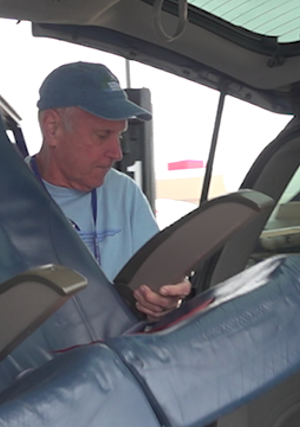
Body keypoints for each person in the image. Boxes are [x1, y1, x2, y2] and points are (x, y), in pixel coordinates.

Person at [30, 62, 191, 319]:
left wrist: (165, 297)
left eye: (120, 136)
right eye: (102, 135)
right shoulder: (7, 198)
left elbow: (156, 280)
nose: (116, 153)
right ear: (52, 128)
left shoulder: (124, 192)